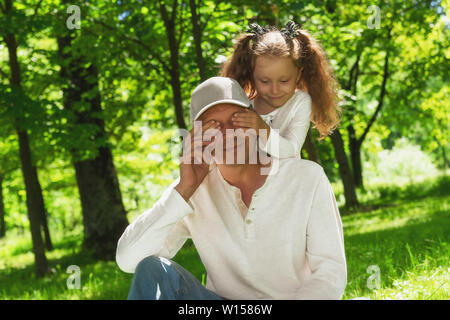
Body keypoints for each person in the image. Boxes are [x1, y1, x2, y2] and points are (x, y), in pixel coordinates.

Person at [116, 77, 347, 300]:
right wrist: (184, 188)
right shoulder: (193, 190)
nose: (229, 133)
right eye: (213, 126)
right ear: (198, 136)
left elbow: (330, 271)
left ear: (255, 121)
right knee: (151, 269)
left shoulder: (305, 176)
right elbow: (128, 259)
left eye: (237, 119)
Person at [220, 21, 342, 159]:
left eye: (284, 81)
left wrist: (262, 129)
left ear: (298, 75)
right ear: (251, 76)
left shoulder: (299, 102)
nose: (275, 90)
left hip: (288, 179)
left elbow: (291, 149)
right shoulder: (242, 106)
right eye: (264, 81)